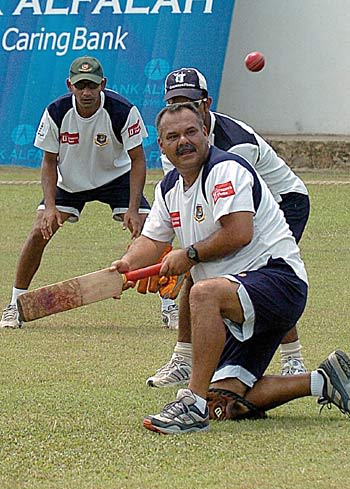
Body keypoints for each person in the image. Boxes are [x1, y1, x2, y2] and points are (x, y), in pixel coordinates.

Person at [110, 103, 350, 435]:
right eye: (173, 136)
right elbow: (151, 241)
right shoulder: (168, 189)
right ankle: (323, 381)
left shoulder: (226, 168)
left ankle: (190, 404)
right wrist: (125, 266)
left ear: (206, 133)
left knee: (203, 292)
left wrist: (189, 255)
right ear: (162, 146)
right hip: (240, 301)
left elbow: (238, 232)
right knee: (222, 403)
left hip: (279, 282)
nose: (184, 141)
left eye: (191, 132)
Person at [146, 67, 310, 385]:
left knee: (265, 271)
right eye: (174, 103)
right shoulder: (181, 143)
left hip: (281, 202)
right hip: (236, 211)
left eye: (190, 103)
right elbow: (185, 204)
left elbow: (235, 225)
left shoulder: (235, 148)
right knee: (200, 270)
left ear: (206, 104)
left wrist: (187, 255)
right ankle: (184, 358)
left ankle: (293, 358)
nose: (182, 110)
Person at [0, 55, 151, 329]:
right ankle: (15, 304)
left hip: (117, 177)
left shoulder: (122, 111)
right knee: (38, 232)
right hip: (69, 181)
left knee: (154, 232)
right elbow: (48, 162)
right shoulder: (57, 112)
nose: (86, 92)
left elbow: (138, 160)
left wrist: (132, 209)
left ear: (102, 85)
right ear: (70, 85)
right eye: (80, 85)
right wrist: (49, 207)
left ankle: (171, 307)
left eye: (92, 86)